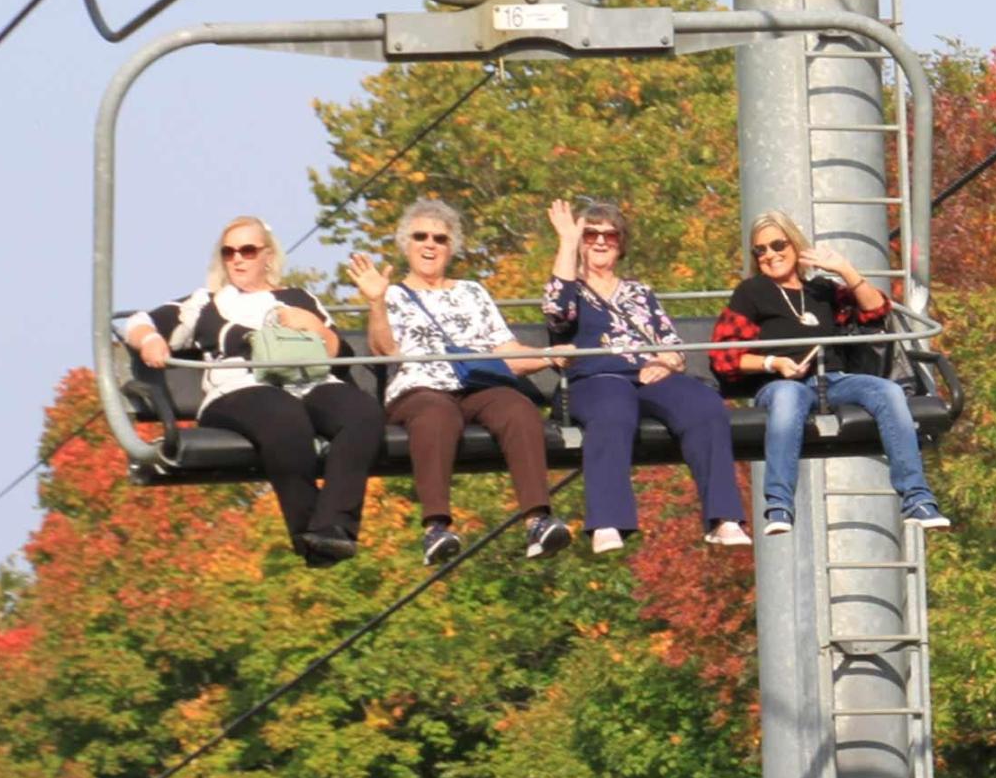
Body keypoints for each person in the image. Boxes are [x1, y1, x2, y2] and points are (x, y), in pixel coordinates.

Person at [125, 215, 384, 565]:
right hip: (240, 388)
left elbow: (338, 352)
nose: (238, 259)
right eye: (229, 252)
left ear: (267, 256)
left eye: (247, 250)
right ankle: (309, 532)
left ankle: (333, 527)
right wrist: (151, 341)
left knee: (362, 414)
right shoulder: (206, 302)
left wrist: (312, 327)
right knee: (285, 417)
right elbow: (139, 322)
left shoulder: (299, 297)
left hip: (309, 379)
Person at [348, 198, 572, 567]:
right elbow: (385, 351)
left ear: (452, 247)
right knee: (437, 416)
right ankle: (436, 527)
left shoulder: (471, 292)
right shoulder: (390, 294)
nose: (430, 244)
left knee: (517, 408)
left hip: (476, 383)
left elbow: (507, 351)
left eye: (440, 238)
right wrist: (375, 303)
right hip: (420, 388)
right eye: (421, 236)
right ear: (406, 244)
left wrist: (548, 356)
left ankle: (537, 520)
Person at [710, 210, 950, 535]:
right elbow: (724, 356)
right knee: (787, 400)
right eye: (760, 250)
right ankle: (779, 505)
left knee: (888, 392)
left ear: (794, 246)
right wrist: (773, 363)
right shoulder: (752, 293)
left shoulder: (822, 291)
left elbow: (875, 311)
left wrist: (845, 270)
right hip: (781, 383)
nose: (770, 254)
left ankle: (917, 499)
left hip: (834, 380)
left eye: (778, 244)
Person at [542, 198, 750, 553]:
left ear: (621, 244)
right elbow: (556, 313)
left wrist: (666, 362)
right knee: (613, 408)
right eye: (591, 234)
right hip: (595, 380)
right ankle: (608, 521)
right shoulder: (571, 289)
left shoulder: (640, 293)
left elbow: (673, 345)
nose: (601, 241)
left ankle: (723, 518)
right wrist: (566, 241)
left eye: (611, 235)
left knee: (705, 405)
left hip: (649, 376)